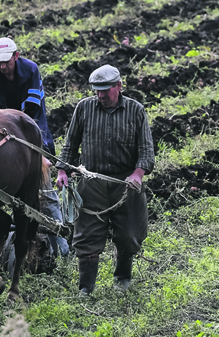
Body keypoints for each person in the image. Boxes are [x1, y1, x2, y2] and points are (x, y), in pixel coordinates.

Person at [55, 65, 155, 296]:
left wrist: (137, 175)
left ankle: (122, 280)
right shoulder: (84, 108)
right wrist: (62, 171)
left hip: (125, 184)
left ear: (119, 86)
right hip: (92, 182)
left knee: (129, 235)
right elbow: (70, 144)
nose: (101, 95)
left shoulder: (136, 110)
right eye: (96, 90)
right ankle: (85, 288)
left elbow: (146, 151)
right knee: (86, 236)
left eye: (105, 90)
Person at [0, 37, 69, 257]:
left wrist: (40, 151)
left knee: (44, 192)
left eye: (6, 62)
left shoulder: (30, 71)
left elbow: (34, 115)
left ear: (16, 56)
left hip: (28, 133)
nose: (2, 66)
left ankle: (63, 248)